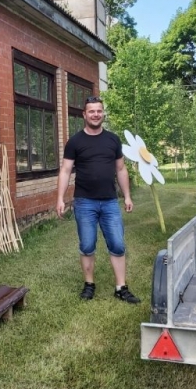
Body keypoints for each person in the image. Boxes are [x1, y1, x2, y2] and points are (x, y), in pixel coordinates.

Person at [56, 95, 139, 304]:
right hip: (84, 202)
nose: (95, 114)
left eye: (99, 111)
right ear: (84, 115)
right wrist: (60, 198)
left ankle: (121, 287)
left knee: (117, 244)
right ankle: (89, 284)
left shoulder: (113, 140)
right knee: (87, 244)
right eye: (91, 111)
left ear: (103, 113)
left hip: (110, 202)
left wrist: (127, 196)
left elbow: (121, 169)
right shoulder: (75, 141)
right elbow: (65, 170)